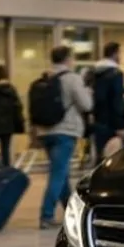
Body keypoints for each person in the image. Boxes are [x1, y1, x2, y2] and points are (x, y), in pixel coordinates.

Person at [36, 46, 93, 230]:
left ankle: (72, 212)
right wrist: (88, 93)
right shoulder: (72, 78)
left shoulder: (45, 77)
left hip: (45, 132)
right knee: (58, 174)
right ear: (68, 59)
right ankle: (46, 215)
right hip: (65, 131)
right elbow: (86, 105)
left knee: (62, 173)